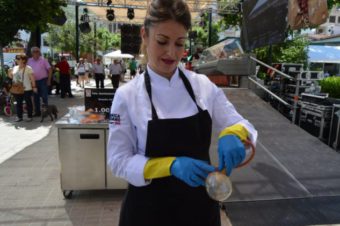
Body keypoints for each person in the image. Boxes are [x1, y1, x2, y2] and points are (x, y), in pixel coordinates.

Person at [107, 0, 257, 225]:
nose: (171, 52)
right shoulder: (127, 95)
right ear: (145, 36)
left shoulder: (202, 86)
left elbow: (243, 125)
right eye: (162, 41)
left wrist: (234, 134)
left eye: (179, 43)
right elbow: (118, 160)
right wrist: (170, 165)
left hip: (199, 210)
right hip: (148, 212)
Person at [8, 54, 37, 122]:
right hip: (17, 88)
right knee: (19, 103)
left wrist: (34, 87)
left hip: (26, 88)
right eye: (16, 58)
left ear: (23, 60)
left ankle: (29, 116)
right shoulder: (15, 68)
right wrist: (9, 73)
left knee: (28, 102)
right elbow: (12, 77)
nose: (16, 60)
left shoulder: (28, 68)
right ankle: (19, 117)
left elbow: (32, 78)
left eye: (18, 58)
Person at [27, 47, 52, 117]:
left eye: (37, 51)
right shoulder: (29, 61)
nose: (36, 53)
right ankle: (37, 112)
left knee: (44, 97)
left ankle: (46, 111)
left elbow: (50, 70)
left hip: (43, 81)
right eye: (34, 51)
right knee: (35, 97)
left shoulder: (43, 60)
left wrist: (49, 80)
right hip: (33, 81)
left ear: (39, 52)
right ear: (32, 53)